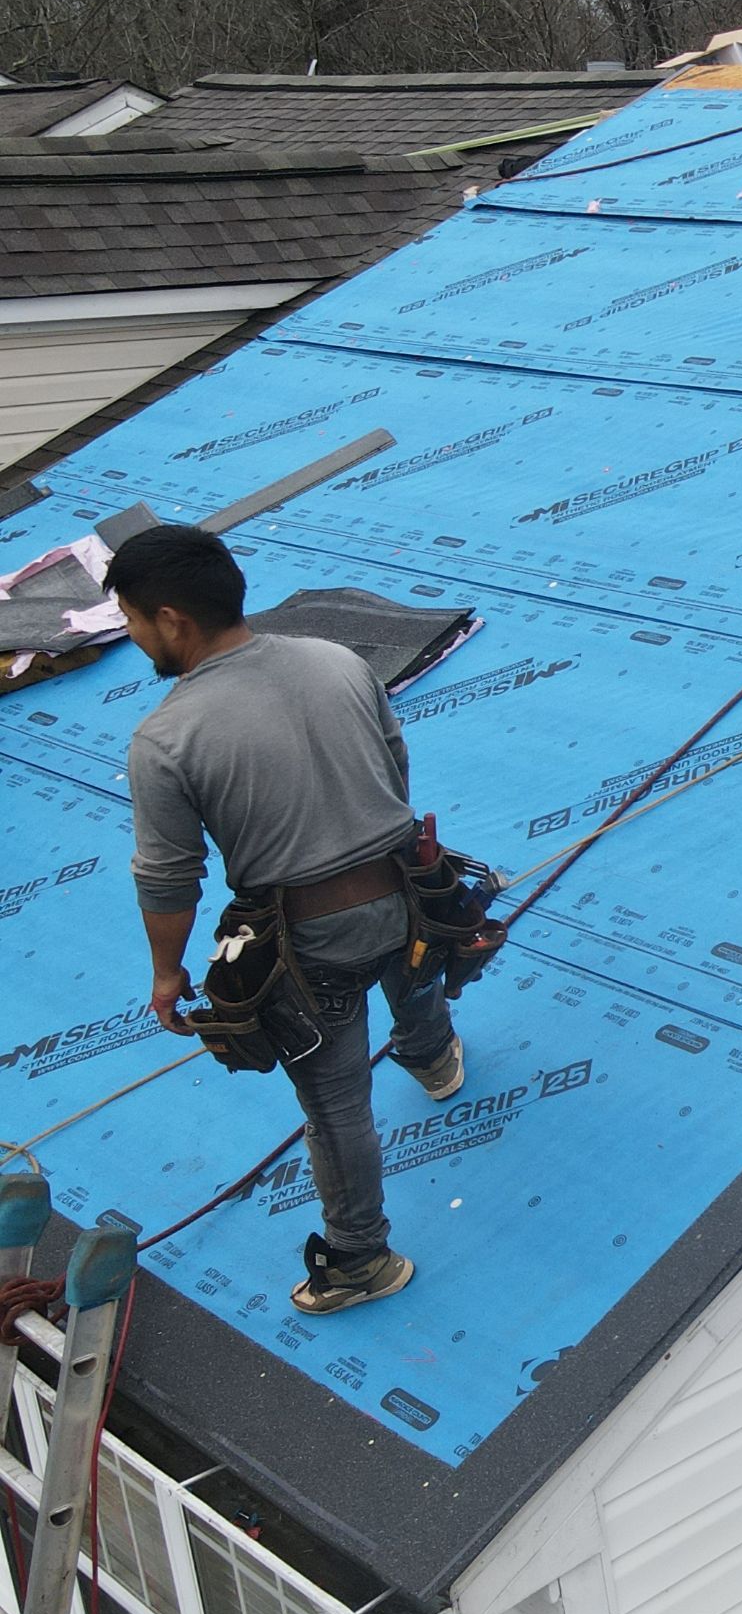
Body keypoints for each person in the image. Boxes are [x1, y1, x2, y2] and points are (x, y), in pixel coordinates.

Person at [113, 525, 460, 1315]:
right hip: (409, 891)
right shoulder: (339, 661)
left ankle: (361, 1260)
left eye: (131, 619)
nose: (133, 636)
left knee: (337, 1109)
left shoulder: (165, 739)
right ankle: (435, 1057)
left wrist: (168, 975)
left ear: (171, 621)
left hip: (308, 943)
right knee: (408, 962)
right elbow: (395, 770)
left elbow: (169, 879)